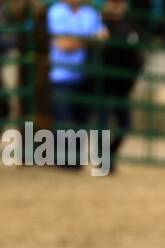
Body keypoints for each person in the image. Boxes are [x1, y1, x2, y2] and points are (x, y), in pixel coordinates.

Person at [48, 0, 107, 166]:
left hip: (85, 75)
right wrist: (90, 40)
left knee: (82, 119)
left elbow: (103, 37)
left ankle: (74, 161)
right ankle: (62, 160)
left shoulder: (90, 13)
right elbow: (64, 44)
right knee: (63, 119)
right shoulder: (57, 11)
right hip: (61, 75)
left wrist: (78, 41)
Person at [91, 0, 144, 172]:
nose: (118, 5)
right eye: (114, 2)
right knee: (103, 124)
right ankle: (104, 161)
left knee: (125, 124)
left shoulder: (131, 22)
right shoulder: (98, 22)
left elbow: (140, 48)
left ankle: (109, 157)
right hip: (105, 83)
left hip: (124, 86)